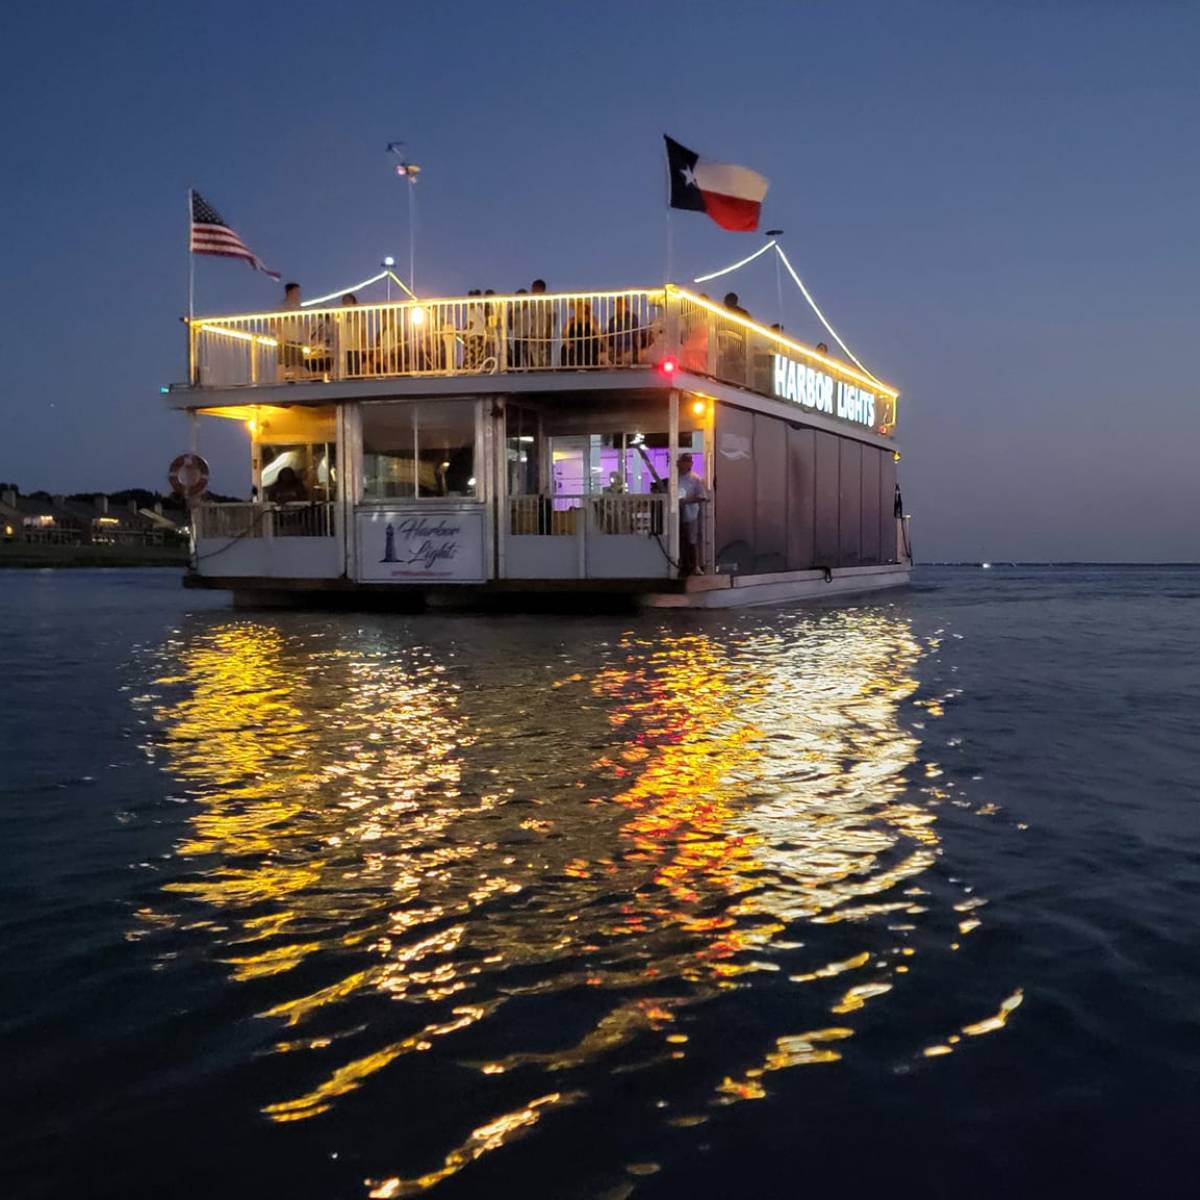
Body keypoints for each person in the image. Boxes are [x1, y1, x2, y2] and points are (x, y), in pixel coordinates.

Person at [676, 453, 706, 576]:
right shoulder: (674, 478)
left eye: (687, 461)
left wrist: (687, 501)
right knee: (679, 540)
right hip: (676, 515)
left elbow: (702, 497)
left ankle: (695, 566)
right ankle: (682, 565)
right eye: (682, 461)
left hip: (691, 514)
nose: (683, 464)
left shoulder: (695, 479)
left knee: (692, 540)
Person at [278, 282, 307, 380]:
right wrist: (280, 336)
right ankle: (287, 383)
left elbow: (302, 324)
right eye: (297, 291)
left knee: (298, 365)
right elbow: (274, 323)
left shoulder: (298, 307)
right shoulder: (282, 306)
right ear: (290, 292)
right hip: (287, 340)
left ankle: (298, 382)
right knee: (287, 365)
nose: (299, 294)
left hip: (298, 341)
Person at [561, 298, 599, 367]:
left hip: (589, 345)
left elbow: (599, 334)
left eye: (580, 306)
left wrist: (605, 346)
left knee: (586, 349)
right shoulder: (571, 321)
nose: (578, 309)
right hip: (574, 346)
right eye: (577, 307)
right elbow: (564, 334)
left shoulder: (592, 320)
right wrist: (566, 342)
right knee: (565, 348)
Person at [606, 296, 643, 365]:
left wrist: (638, 350)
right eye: (616, 304)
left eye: (620, 304)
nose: (617, 307)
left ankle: (617, 360)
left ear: (625, 306)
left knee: (629, 356)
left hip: (629, 349)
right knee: (602, 356)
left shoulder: (632, 318)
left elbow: (637, 334)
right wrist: (609, 348)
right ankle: (616, 360)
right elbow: (609, 337)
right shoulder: (612, 320)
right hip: (616, 349)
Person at [528, 279, 554, 368]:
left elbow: (551, 317)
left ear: (539, 288)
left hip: (544, 333)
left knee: (545, 356)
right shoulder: (532, 302)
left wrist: (548, 332)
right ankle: (537, 371)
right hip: (534, 334)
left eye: (533, 288)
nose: (532, 290)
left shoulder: (547, 301)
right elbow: (532, 318)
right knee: (536, 357)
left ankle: (546, 373)